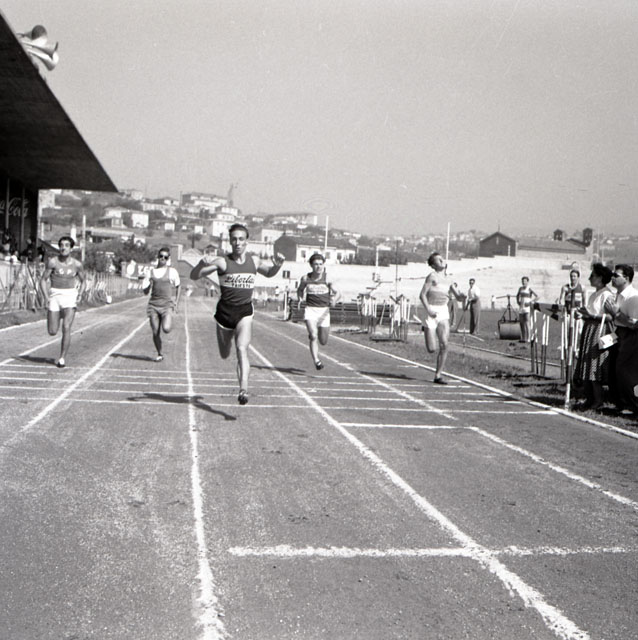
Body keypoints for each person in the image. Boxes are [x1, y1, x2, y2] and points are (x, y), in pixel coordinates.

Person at [190, 223, 285, 405]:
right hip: (224, 314)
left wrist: (277, 266)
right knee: (225, 354)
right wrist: (201, 263)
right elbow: (195, 276)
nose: (238, 243)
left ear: (246, 241)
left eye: (241, 239)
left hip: (244, 312)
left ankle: (244, 390)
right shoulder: (222, 262)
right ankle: (236, 370)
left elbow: (269, 273)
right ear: (230, 242)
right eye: (234, 239)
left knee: (242, 348)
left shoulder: (254, 261)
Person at [573, 264, 615, 411]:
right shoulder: (593, 295)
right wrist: (582, 314)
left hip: (599, 331)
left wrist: (591, 315)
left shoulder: (607, 295)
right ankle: (589, 398)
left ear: (600, 278)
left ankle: (598, 400)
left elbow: (610, 317)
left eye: (592, 276)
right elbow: (590, 313)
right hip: (589, 329)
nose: (590, 278)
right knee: (585, 363)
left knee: (595, 365)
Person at [40, 235, 86, 368]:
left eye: (66, 246)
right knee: (52, 331)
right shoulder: (53, 262)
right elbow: (43, 280)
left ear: (71, 249)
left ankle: (62, 358)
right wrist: (46, 297)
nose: (63, 248)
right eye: (61, 245)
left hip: (70, 296)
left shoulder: (77, 265)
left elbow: (83, 281)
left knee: (66, 327)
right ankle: (59, 314)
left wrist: (80, 294)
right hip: (55, 295)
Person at [419, 252, 465, 384]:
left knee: (444, 344)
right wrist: (429, 310)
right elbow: (422, 295)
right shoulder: (432, 277)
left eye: (442, 259)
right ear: (434, 265)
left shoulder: (449, 279)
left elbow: (458, 297)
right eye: (438, 260)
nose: (442, 261)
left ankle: (438, 375)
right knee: (432, 349)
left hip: (443, 311)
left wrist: (462, 296)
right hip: (431, 310)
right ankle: (426, 329)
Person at [297, 253, 340, 369]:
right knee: (313, 335)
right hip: (310, 310)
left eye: (321, 264)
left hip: (324, 312)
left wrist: (334, 300)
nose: (319, 267)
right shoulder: (305, 278)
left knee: (323, 341)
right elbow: (300, 290)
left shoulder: (328, 278)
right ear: (311, 265)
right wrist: (300, 298)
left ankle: (314, 337)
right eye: (316, 264)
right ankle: (317, 361)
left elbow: (338, 293)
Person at [142, 246, 181, 362]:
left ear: (168, 259)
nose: (163, 258)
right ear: (158, 257)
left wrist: (176, 302)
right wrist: (148, 285)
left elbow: (178, 286)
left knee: (166, 328)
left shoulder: (172, 272)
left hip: (166, 305)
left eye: (165, 257)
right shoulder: (151, 272)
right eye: (161, 256)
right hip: (153, 305)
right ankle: (160, 353)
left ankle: (168, 321)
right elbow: (145, 292)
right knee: (155, 332)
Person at [609, 264, 638, 413]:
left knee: (625, 370)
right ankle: (620, 402)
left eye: (616, 275)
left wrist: (616, 313)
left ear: (626, 278)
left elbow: (633, 324)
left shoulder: (632, 297)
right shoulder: (617, 295)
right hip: (618, 332)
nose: (612, 278)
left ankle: (631, 404)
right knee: (614, 367)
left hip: (630, 336)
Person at [516, 276, 539, 343]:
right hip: (521, 307)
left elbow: (537, 296)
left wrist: (530, 302)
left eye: (525, 281)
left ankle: (529, 338)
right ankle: (523, 338)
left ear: (527, 282)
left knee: (527, 322)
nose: (524, 282)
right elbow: (517, 295)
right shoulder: (520, 288)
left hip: (527, 308)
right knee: (521, 323)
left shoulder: (529, 289)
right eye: (523, 281)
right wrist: (518, 302)